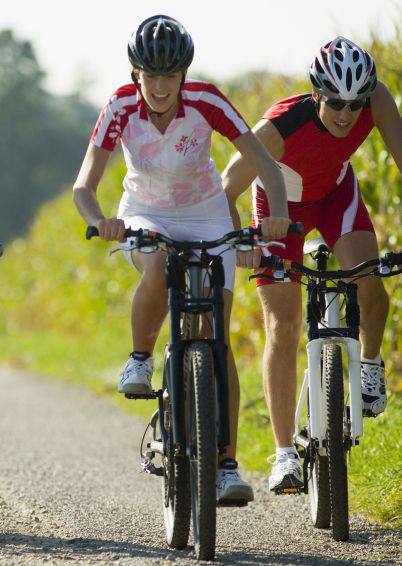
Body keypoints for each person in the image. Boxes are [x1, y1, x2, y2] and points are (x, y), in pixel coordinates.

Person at [72, 15, 290, 504]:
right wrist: (102, 219)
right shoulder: (120, 107)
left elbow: (264, 164)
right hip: (145, 212)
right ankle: (139, 357)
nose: (160, 86)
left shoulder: (207, 101)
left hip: (207, 214)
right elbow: (84, 185)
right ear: (136, 75)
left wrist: (275, 217)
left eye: (170, 76)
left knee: (217, 335)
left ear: (183, 76)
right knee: (156, 266)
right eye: (151, 75)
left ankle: (227, 465)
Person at [222, 36, 398, 493]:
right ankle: (284, 455)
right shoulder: (278, 129)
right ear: (316, 94)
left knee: (371, 282)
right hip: (280, 213)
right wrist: (241, 242)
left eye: (355, 104)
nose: (346, 114)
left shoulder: (376, 101)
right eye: (336, 102)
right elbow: (227, 189)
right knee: (283, 326)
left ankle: (371, 366)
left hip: (336, 197)